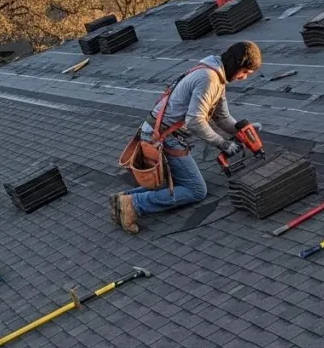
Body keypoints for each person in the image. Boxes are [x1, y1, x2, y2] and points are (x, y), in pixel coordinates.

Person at [112, 41, 262, 234]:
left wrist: (242, 131)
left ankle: (121, 199)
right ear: (236, 64)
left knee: (174, 181)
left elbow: (222, 117)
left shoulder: (216, 74)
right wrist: (223, 144)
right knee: (195, 190)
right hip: (163, 137)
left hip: (161, 131)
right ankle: (135, 205)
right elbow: (195, 120)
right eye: (245, 72)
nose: (244, 77)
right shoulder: (209, 78)